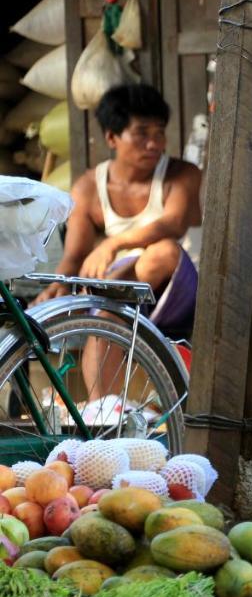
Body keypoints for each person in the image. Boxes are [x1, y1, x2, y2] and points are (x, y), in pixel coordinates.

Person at [37, 83, 202, 405]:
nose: (154, 143)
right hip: (121, 300)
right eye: (141, 133)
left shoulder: (182, 174)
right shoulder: (88, 187)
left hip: (178, 295)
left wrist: (112, 244)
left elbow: (173, 223)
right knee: (106, 316)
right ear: (112, 137)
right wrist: (55, 287)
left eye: (159, 132)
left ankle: (105, 292)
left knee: (163, 251)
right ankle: (105, 412)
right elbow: (74, 257)